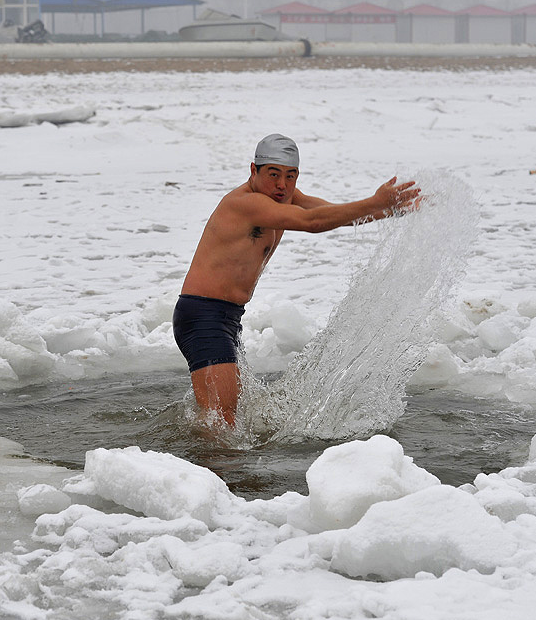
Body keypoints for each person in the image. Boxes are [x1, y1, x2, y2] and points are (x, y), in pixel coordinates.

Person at [173, 133, 420, 427]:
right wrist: (373, 201)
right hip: (202, 316)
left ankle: (217, 467)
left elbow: (326, 213)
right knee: (221, 421)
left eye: (290, 176)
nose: (282, 185)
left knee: (224, 419)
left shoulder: (286, 197)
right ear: (254, 170)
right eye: (273, 175)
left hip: (228, 317)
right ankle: (207, 471)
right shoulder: (246, 203)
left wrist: (389, 210)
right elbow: (311, 223)